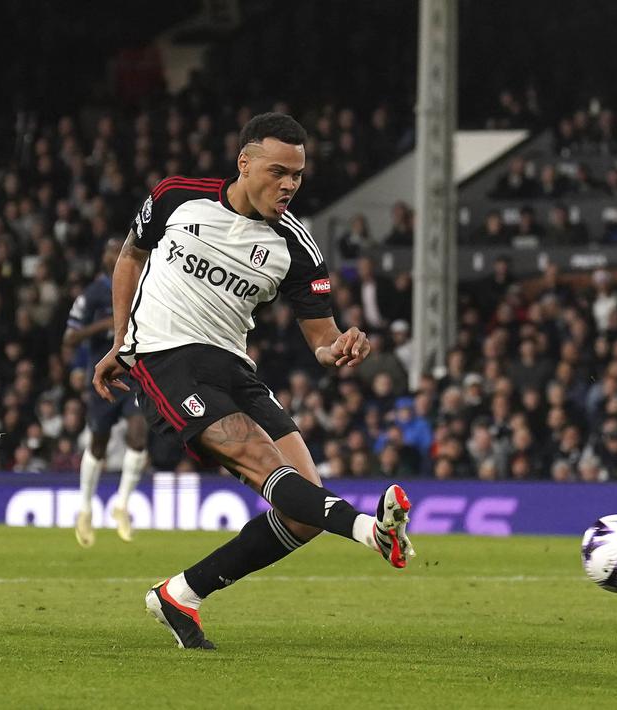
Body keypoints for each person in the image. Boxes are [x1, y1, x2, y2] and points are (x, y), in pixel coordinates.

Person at [92, 113, 415, 650]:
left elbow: (321, 336)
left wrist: (339, 347)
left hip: (234, 369)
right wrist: (120, 339)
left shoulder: (296, 246)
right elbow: (131, 255)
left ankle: (180, 594)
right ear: (245, 163)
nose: (288, 184)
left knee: (304, 510)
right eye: (277, 170)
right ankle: (369, 531)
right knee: (268, 468)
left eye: (298, 175)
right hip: (165, 359)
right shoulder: (177, 197)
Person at [64, 237, 148, 546]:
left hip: (134, 376)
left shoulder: (142, 286)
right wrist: (103, 327)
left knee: (138, 435)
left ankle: (122, 505)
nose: (114, 255)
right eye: (110, 251)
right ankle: (85, 508)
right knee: (97, 443)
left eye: (118, 250)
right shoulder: (93, 294)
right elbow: (70, 338)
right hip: (104, 376)